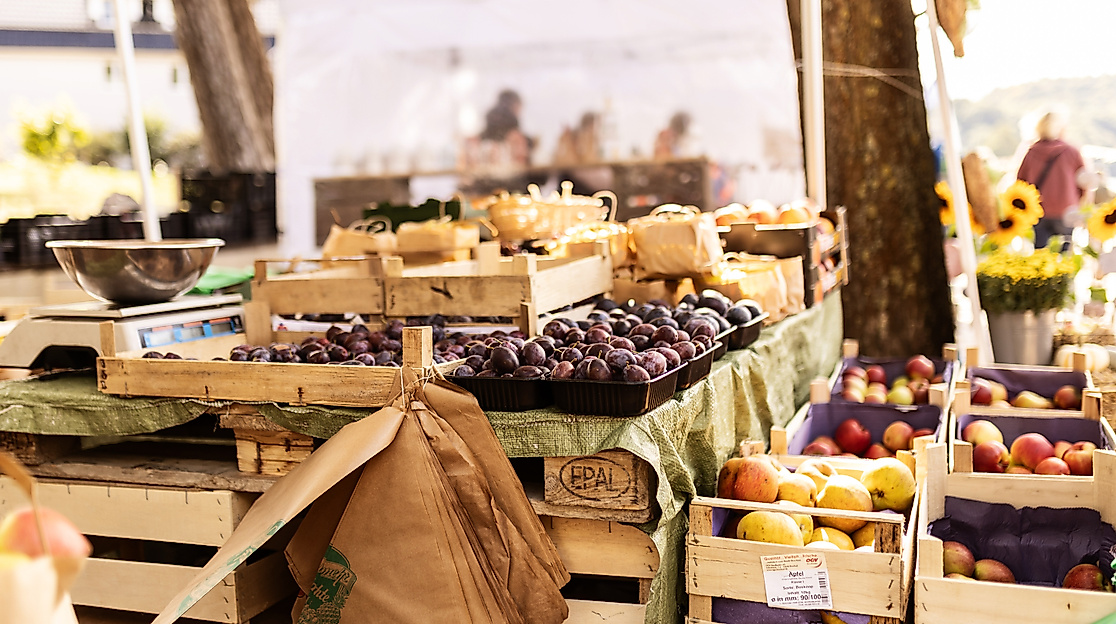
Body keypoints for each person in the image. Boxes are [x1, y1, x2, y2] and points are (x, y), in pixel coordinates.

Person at [1015, 111, 1093, 249]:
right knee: (1065, 258)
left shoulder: (1031, 152)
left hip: (1038, 211)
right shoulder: (1072, 151)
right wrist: (1081, 205)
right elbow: (1085, 183)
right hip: (1067, 211)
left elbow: (1020, 184)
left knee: (1041, 256)